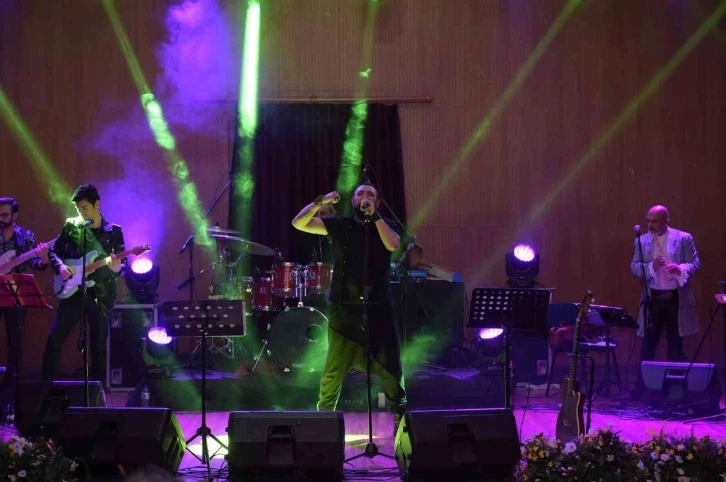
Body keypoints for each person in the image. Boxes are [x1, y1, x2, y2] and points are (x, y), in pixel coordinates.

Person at [292, 183, 407, 435]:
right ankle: (325, 421)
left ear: (377, 203)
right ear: (353, 201)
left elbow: (392, 245)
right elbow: (299, 223)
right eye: (360, 194)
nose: (365, 197)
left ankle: (401, 419)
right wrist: (321, 202)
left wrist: (375, 217)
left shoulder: (385, 225)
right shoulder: (341, 225)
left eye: (371, 195)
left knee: (391, 368)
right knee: (333, 369)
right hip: (344, 308)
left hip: (378, 308)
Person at [41, 185, 126, 385]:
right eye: (78, 208)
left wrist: (116, 268)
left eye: (85, 207)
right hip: (73, 293)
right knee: (54, 339)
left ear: (97, 204)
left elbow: (123, 266)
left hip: (100, 295)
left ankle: (97, 395)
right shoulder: (72, 226)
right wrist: (61, 267)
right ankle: (44, 390)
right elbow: (54, 251)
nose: (81, 212)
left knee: (98, 348)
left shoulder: (114, 231)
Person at [631, 205, 700, 363]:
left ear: (666, 221)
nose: (650, 225)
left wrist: (680, 269)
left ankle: (674, 378)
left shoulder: (684, 238)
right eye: (648, 221)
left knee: (675, 347)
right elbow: (634, 267)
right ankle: (645, 379)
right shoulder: (642, 241)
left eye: (654, 221)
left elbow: (695, 264)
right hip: (653, 299)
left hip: (676, 299)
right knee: (648, 346)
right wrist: (651, 266)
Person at [0, 197, 49, 419]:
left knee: (15, 348)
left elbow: (36, 265)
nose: (0, 219)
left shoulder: (26, 237)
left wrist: (43, 260)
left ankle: (8, 403)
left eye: (4, 215)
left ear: (15, 216)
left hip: (15, 296)